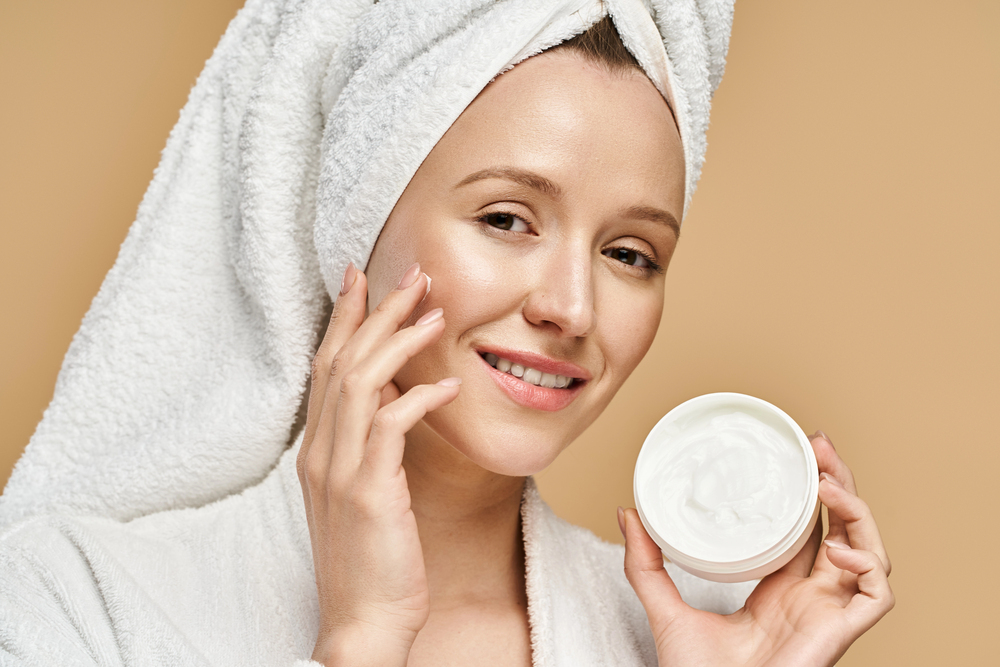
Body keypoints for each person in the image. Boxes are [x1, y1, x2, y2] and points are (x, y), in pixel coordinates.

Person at [0, 1, 892, 665]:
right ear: (357, 221)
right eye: (506, 219)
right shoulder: (76, 598)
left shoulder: (694, 632)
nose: (572, 308)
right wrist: (360, 641)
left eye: (630, 253)